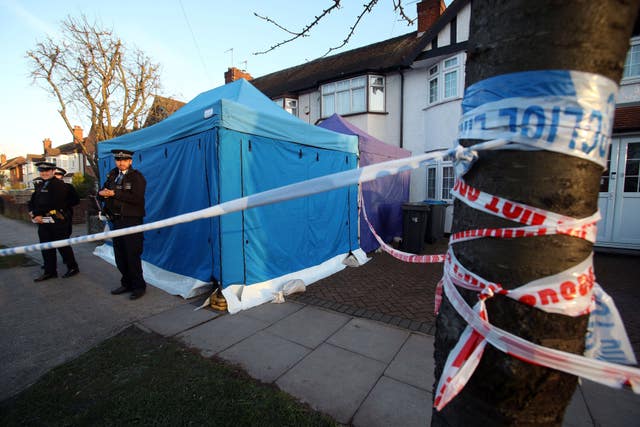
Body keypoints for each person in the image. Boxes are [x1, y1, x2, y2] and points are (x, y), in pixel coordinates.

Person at [98, 149, 147, 300]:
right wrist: (101, 193)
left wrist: (114, 194)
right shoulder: (112, 175)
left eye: (124, 160)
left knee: (132, 254)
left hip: (131, 220)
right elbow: (103, 189)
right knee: (120, 255)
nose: (121, 163)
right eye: (118, 160)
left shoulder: (136, 177)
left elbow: (137, 198)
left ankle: (138, 287)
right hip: (116, 220)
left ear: (130, 161)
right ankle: (126, 283)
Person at [28, 162, 79, 281]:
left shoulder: (58, 185)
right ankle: (50, 271)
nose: (44, 173)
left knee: (62, 245)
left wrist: (38, 214)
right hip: (43, 221)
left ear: (52, 171)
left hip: (57, 220)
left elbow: (55, 203)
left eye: (47, 171)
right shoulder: (41, 185)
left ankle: (72, 267)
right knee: (45, 246)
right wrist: (32, 211)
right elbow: (33, 201)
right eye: (42, 171)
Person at [53, 167, 80, 277]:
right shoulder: (46, 187)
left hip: (63, 216)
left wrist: (62, 206)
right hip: (49, 219)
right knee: (51, 242)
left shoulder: (68, 187)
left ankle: (71, 265)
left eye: (57, 175)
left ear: (61, 176)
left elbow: (76, 200)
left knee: (63, 241)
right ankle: (49, 265)